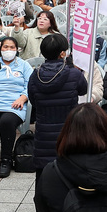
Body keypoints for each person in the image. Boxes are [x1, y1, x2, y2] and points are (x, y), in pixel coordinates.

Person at [28, 32, 88, 176]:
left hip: (43, 132)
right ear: (62, 54)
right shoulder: (74, 74)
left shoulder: (35, 75)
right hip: (69, 130)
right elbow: (83, 90)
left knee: (44, 175)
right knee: (69, 173)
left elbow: (33, 101)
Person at [0, 36, 32, 178]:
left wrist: (23, 97)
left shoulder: (24, 65)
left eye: (12, 47)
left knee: (7, 121)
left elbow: (31, 85)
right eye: (5, 47)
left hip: (14, 104)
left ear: (16, 49)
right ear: (0, 49)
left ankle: (6, 159)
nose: (8, 50)